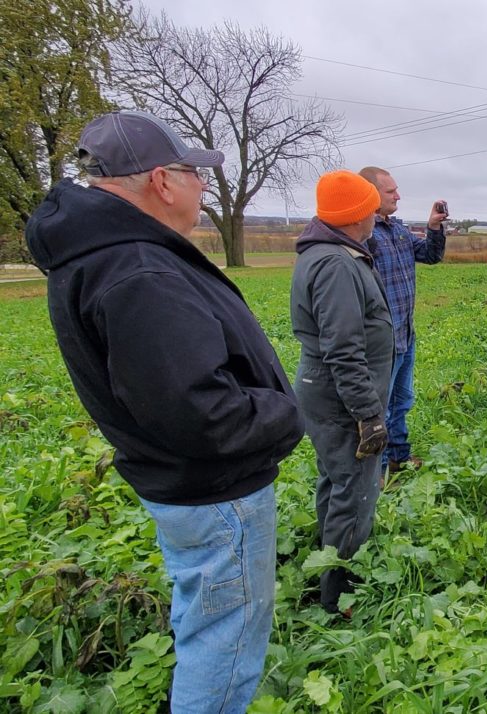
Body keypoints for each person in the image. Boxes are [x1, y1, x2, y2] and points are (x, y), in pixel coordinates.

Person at [25, 110, 303, 713]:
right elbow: (196, 410)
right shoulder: (137, 270)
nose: (204, 186)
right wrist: (284, 413)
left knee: (207, 618)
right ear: (161, 180)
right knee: (224, 644)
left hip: (188, 486)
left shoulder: (114, 254)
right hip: (216, 493)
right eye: (194, 174)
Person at [289, 170, 394, 614]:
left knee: (336, 482)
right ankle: (341, 599)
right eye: (370, 206)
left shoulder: (333, 253)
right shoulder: (335, 264)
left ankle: (326, 570)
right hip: (341, 397)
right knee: (354, 490)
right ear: (356, 215)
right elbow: (343, 348)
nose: (376, 214)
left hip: (327, 391)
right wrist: (368, 414)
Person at [358, 167, 447, 475]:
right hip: (381, 339)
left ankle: (399, 457)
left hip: (405, 334)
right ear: (369, 194)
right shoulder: (364, 236)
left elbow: (431, 256)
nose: (398, 195)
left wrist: (433, 227)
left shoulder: (398, 230)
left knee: (402, 400)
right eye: (390, 191)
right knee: (379, 407)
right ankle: (378, 472)